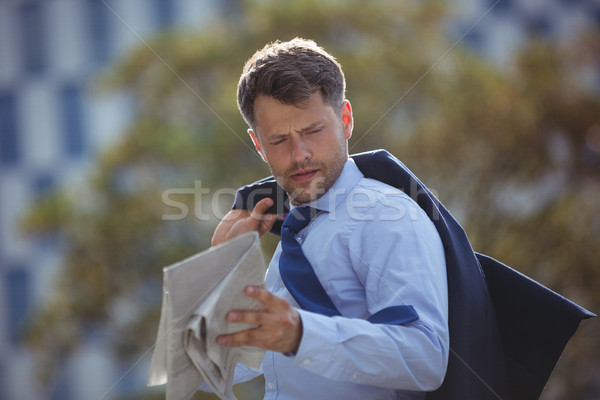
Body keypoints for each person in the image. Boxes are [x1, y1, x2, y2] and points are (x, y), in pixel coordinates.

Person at [209, 38, 449, 400]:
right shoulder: (299, 230)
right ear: (258, 146)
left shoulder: (385, 215)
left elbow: (425, 357)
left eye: (312, 131)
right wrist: (223, 271)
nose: (299, 154)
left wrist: (301, 335)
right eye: (278, 140)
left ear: (346, 120)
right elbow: (221, 367)